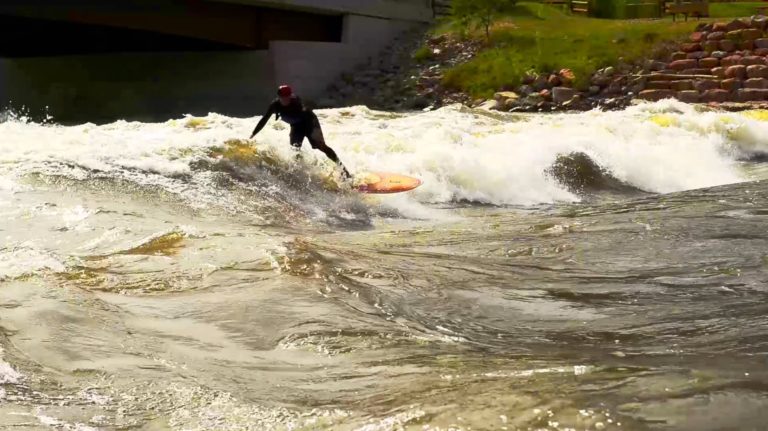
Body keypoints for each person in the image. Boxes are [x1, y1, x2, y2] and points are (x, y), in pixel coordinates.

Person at [249, 85, 350, 178]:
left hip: (309, 122)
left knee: (320, 146)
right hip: (296, 126)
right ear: (279, 97)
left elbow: (307, 112)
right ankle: (301, 174)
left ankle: (343, 170)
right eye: (283, 97)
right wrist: (253, 134)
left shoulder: (295, 101)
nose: (285, 99)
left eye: (287, 97)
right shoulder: (275, 105)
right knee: (295, 149)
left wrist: (312, 135)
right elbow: (264, 120)